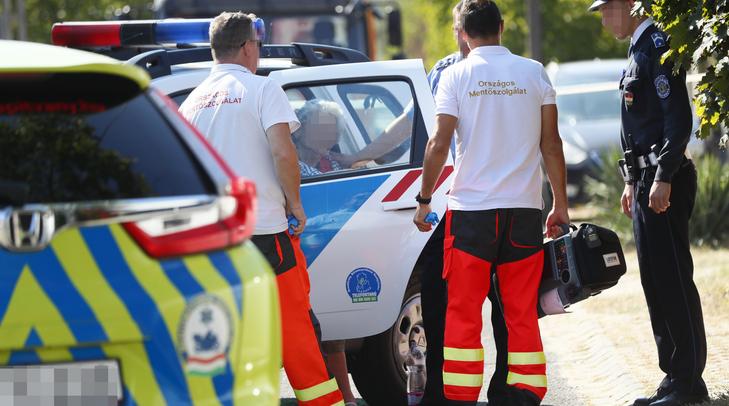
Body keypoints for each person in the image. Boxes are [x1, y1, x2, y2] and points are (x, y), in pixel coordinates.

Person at [178, 12, 344, 406]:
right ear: (248, 47)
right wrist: (296, 204)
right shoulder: (262, 88)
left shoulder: (190, 103)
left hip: (214, 241)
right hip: (267, 234)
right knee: (297, 336)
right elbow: (283, 153)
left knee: (237, 339)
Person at [414, 1, 569, 406]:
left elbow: (438, 143)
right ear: (501, 27)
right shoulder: (534, 73)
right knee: (520, 312)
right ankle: (525, 394)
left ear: (463, 33)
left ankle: (461, 397)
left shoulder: (455, 76)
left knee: (463, 314)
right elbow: (551, 144)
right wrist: (561, 206)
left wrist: (424, 199)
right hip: (523, 213)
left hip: (471, 218)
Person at [589, 1, 709, 405]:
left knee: (672, 279)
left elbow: (677, 119)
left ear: (627, 5)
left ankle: (687, 382)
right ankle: (677, 375)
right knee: (656, 280)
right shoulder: (638, 49)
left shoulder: (657, 44)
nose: (604, 21)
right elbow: (636, 124)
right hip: (645, 180)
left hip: (663, 180)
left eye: (607, 11)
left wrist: (662, 176)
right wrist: (630, 178)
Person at [417, 2, 512, 406]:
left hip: (481, 203)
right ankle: (444, 391)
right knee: (443, 302)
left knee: (502, 305)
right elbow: (419, 126)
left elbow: (435, 141)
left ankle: (502, 389)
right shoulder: (443, 72)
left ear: (461, 29)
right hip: (454, 204)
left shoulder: (505, 71)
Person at [293, 99, 347, 176]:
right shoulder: (288, 163)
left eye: (331, 129)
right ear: (298, 129)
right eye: (320, 127)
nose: (326, 135)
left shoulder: (333, 163)